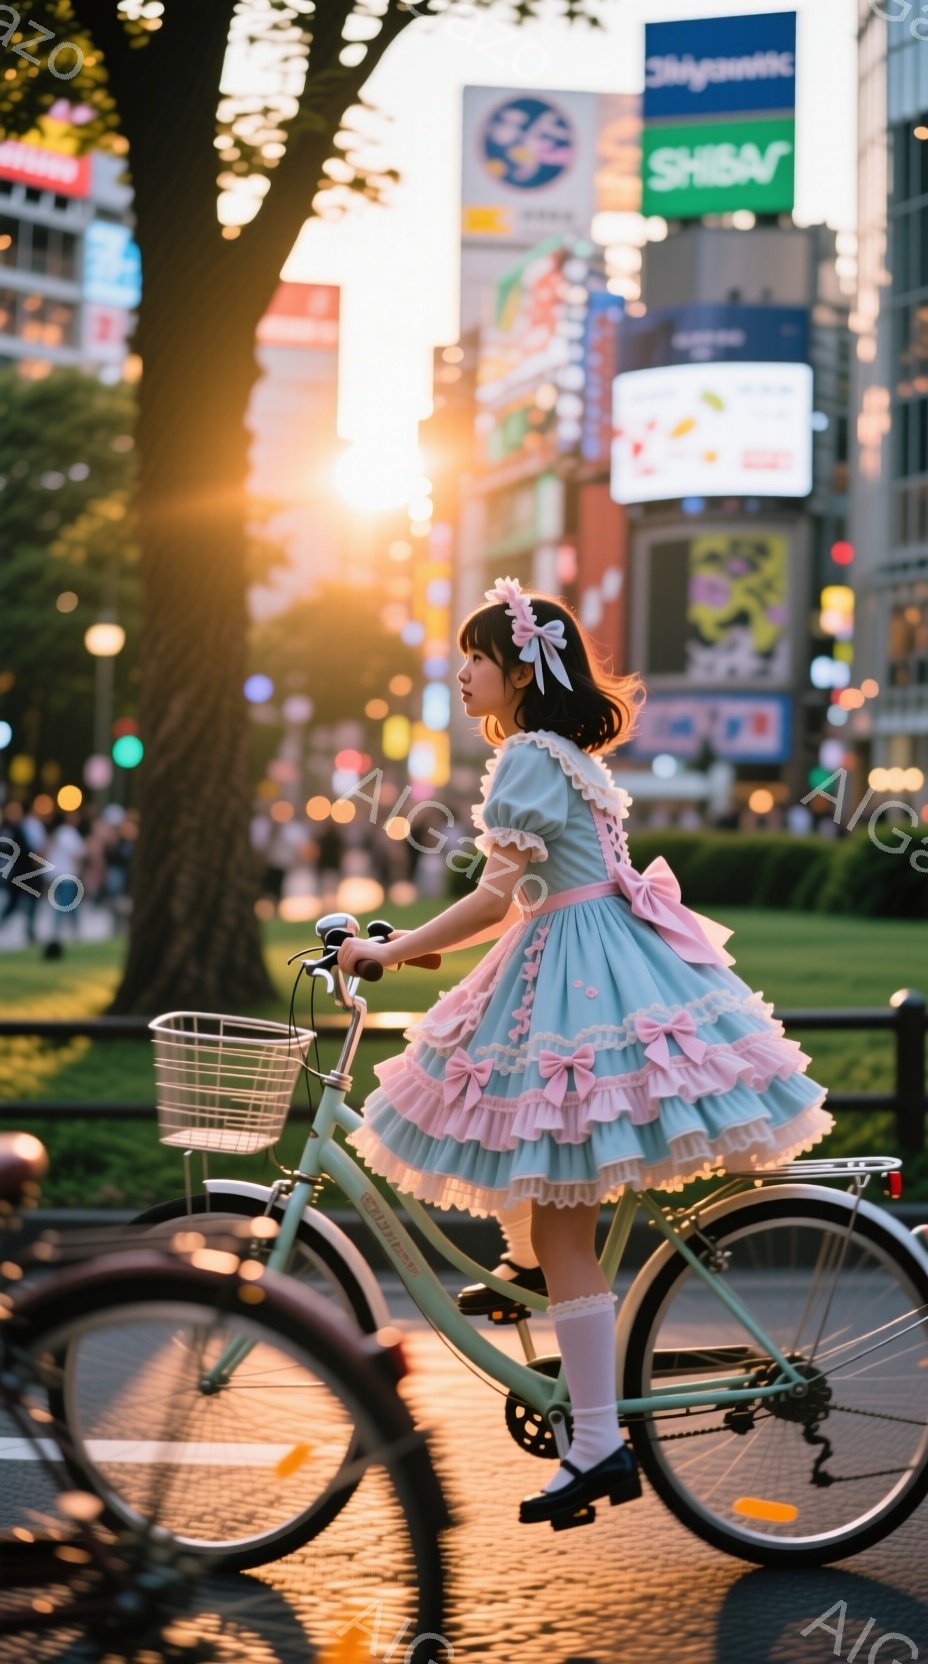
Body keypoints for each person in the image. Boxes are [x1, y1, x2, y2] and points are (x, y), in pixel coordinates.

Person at [336, 576, 834, 1527]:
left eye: (475, 658)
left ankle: (599, 1442)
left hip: (575, 976)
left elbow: (501, 893)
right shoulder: (565, 755)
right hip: (596, 958)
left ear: (521, 666)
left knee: (561, 1202)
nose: (463, 674)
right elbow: (527, 892)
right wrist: (441, 941)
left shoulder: (528, 754)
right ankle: (532, 1279)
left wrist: (393, 948)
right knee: (545, 1163)